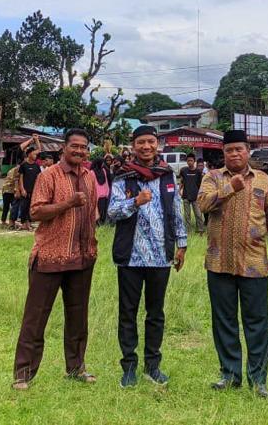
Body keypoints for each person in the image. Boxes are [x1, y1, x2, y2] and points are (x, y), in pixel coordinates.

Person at [198, 129, 268, 399]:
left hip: (255, 264)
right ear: (223, 153)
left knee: (257, 322)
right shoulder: (212, 178)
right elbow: (202, 205)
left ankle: (258, 380)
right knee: (224, 321)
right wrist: (228, 189)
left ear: (248, 151)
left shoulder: (264, 181)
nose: (234, 154)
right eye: (229, 150)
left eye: (239, 149)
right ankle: (230, 374)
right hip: (219, 263)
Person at [13, 128, 98, 389]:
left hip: (82, 258)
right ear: (64, 147)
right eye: (75, 146)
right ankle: (23, 374)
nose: (79, 151)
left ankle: (76, 368)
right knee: (36, 317)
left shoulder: (90, 177)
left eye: (84, 147)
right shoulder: (49, 176)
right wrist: (67, 204)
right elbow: (36, 211)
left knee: (78, 318)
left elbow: (93, 211)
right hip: (50, 257)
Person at [107, 125, 188, 387]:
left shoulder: (167, 175)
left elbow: (176, 212)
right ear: (133, 145)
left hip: (160, 257)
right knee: (127, 313)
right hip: (130, 257)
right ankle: (128, 367)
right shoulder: (123, 176)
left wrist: (182, 244)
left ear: (157, 144)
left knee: (156, 313)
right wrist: (135, 202)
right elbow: (112, 212)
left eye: (150, 142)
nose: (146, 147)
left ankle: (153, 366)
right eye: (141, 142)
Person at [179, 154, 206, 234]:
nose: (189, 162)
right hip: (186, 195)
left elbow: (200, 184)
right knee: (187, 215)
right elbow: (182, 181)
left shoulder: (198, 172)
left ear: (194, 161)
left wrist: (201, 194)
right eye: (188, 161)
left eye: (191, 160)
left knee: (198, 214)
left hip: (195, 196)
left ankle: (200, 230)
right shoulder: (183, 170)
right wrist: (179, 190)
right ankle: (188, 231)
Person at [91, 156, 111, 225]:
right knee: (97, 209)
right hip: (97, 195)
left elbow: (106, 181)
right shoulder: (92, 172)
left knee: (103, 209)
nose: (103, 164)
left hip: (104, 194)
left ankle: (102, 222)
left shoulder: (104, 171)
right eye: (102, 163)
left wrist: (107, 191)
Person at [1, 164, 19, 228]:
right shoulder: (16, 170)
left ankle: (10, 221)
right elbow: (14, 180)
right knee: (8, 206)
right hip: (8, 190)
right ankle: (5, 221)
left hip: (10, 190)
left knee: (12, 206)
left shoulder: (14, 169)